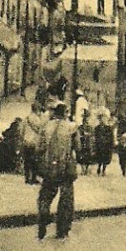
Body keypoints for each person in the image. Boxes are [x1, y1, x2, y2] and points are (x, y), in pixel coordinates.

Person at [37, 99, 80, 241]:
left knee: (45, 194)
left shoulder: (46, 127)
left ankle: (43, 216)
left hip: (49, 166)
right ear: (65, 113)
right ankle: (62, 229)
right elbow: (78, 147)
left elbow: (39, 148)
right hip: (65, 167)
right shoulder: (71, 128)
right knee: (66, 197)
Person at [20, 101, 47, 184]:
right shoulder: (37, 119)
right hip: (34, 142)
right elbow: (41, 130)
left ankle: (27, 178)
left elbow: (21, 131)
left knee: (27, 162)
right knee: (35, 162)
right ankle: (33, 178)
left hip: (26, 142)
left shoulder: (26, 118)